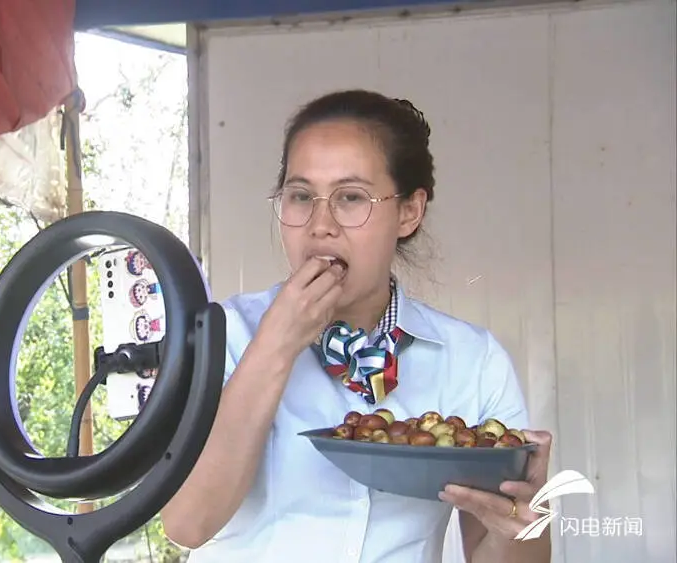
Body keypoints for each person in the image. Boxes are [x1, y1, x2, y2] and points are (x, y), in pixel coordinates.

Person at [160, 90, 554, 563]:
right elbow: (186, 524)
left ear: (409, 211)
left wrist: (520, 525)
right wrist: (275, 347)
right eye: (301, 196)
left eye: (350, 198)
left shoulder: (471, 360)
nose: (319, 225)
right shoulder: (222, 335)